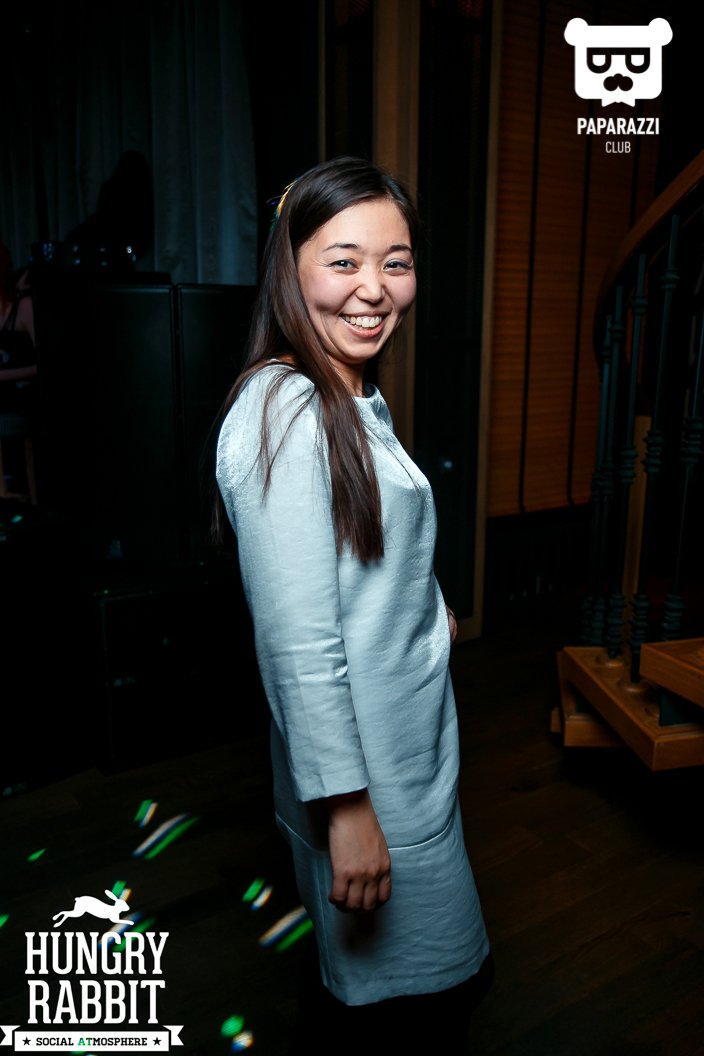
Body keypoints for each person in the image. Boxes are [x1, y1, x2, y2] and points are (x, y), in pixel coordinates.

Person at [215, 156, 491, 1054]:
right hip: (369, 787)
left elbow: (365, 551)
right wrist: (346, 811)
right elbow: (297, 638)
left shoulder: (348, 390)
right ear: (289, 267)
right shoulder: (284, 410)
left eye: (395, 262)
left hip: (406, 765)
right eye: (344, 260)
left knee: (393, 997)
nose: (374, 289)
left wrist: (425, 609)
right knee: (412, 1003)